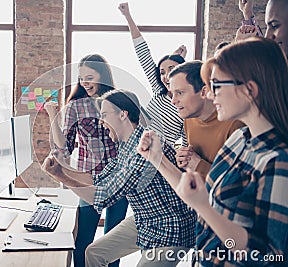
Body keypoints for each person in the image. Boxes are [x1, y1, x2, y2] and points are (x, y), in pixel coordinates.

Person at [138, 37, 288, 266]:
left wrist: (204, 208)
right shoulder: (239, 140)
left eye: (216, 86)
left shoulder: (277, 161)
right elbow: (198, 193)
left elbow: (267, 256)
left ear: (249, 90)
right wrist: (156, 159)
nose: (210, 94)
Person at [43, 90, 196, 267]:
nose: (101, 122)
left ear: (123, 114)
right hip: (145, 219)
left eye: (105, 115)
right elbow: (98, 180)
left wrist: (60, 176)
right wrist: (62, 170)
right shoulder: (125, 145)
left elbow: (104, 197)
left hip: (170, 228)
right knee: (94, 253)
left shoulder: (145, 145)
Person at [44, 54, 128, 267]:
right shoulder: (75, 106)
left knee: (112, 240)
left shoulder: (118, 102)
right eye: (81, 78)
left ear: (103, 76)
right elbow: (64, 146)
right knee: (84, 239)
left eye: (90, 77)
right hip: (87, 178)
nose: (85, 83)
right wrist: (53, 115)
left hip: (118, 177)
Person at [118, 2, 187, 146]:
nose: (166, 76)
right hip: (135, 147)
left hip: (159, 158)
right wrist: (128, 16)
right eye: (162, 72)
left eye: (172, 70)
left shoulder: (187, 104)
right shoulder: (159, 90)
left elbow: (187, 140)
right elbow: (143, 53)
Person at [168, 61, 245, 179]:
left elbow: (239, 183)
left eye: (180, 93)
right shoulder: (189, 119)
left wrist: (199, 165)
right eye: (172, 93)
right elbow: (193, 162)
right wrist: (184, 159)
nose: (173, 101)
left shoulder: (235, 125)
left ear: (204, 92)